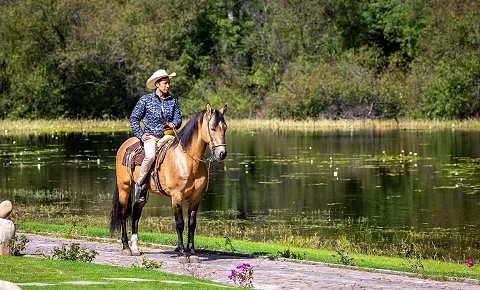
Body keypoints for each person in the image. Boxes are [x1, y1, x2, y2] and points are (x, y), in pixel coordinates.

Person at [130, 69, 182, 202]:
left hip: (169, 136)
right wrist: (140, 134)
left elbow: (178, 119)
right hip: (152, 136)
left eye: (168, 83)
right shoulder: (145, 100)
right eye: (165, 83)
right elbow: (134, 118)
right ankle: (140, 184)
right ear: (157, 84)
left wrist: (173, 124)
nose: (168, 86)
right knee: (151, 155)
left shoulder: (173, 100)